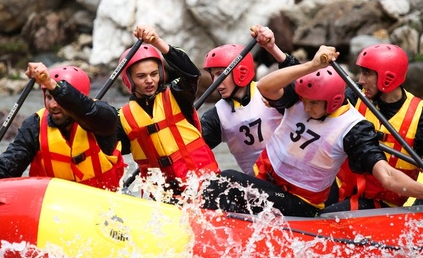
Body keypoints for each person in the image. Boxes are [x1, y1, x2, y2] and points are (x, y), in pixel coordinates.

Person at [201, 46, 423, 217]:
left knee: (228, 180)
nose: (305, 108)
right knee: (219, 182)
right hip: (272, 182)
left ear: (333, 101)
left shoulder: (354, 127)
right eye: (304, 101)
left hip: (303, 200)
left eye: (313, 104)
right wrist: (312, 65)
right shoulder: (301, 98)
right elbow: (264, 87)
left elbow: (387, 176)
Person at [0, 63, 125, 196]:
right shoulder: (35, 125)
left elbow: (89, 111)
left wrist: (51, 84)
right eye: (48, 96)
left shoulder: (104, 118)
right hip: (52, 211)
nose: (52, 105)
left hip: (102, 208)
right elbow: (8, 166)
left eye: (58, 98)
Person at [117, 25, 220, 195]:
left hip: (203, 186)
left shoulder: (177, 94)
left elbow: (191, 73)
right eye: (141, 76)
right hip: (165, 199)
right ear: (128, 80)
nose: (149, 80)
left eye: (154, 74)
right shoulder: (122, 118)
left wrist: (157, 42)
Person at [323, 44, 423, 212]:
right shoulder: (355, 95)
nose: (361, 80)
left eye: (367, 73)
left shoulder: (420, 117)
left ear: (388, 77)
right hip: (341, 186)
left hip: (382, 204)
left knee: (326, 216)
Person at [200, 25, 299, 175]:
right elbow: (193, 151)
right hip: (260, 189)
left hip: (293, 178)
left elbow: (302, 84)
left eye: (220, 74)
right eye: (213, 76)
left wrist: (272, 48)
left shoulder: (269, 92)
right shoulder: (216, 116)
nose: (215, 81)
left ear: (241, 72)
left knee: (230, 176)